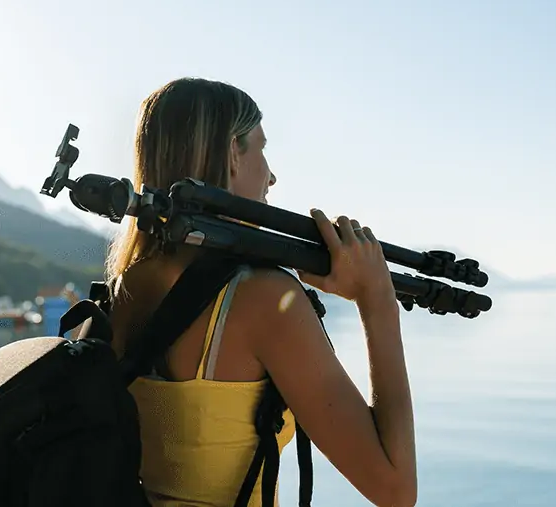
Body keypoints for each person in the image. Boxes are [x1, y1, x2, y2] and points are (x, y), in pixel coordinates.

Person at [106, 77, 417, 507]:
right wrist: (377, 302)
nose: (271, 175)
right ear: (233, 153)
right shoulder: (263, 299)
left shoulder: (126, 286)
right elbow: (395, 490)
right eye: (262, 147)